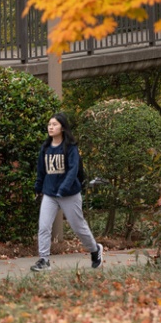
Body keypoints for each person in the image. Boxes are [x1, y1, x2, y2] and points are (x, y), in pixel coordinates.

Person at [31, 112, 103, 272]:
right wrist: (38, 187)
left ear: (62, 127)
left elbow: (73, 170)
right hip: (50, 194)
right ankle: (44, 260)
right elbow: (41, 171)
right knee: (43, 227)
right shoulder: (45, 148)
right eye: (49, 124)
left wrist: (63, 188)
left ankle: (95, 249)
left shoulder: (71, 148)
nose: (51, 127)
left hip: (69, 194)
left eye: (54, 124)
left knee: (78, 227)